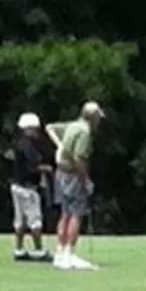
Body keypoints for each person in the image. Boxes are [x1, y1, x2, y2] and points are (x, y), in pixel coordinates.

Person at [46, 101, 105, 271]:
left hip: (61, 173)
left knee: (65, 214)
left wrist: (60, 148)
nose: (99, 122)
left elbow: (50, 128)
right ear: (93, 118)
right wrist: (86, 180)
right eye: (98, 118)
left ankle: (60, 253)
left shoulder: (72, 126)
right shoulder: (84, 132)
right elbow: (79, 159)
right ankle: (69, 254)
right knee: (76, 215)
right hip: (72, 175)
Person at [6, 114, 52, 264]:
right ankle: (38, 250)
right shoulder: (28, 146)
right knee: (35, 220)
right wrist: (47, 169)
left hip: (16, 186)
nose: (37, 132)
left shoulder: (18, 144)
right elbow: (32, 166)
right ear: (28, 129)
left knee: (20, 220)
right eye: (34, 129)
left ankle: (19, 249)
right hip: (28, 188)